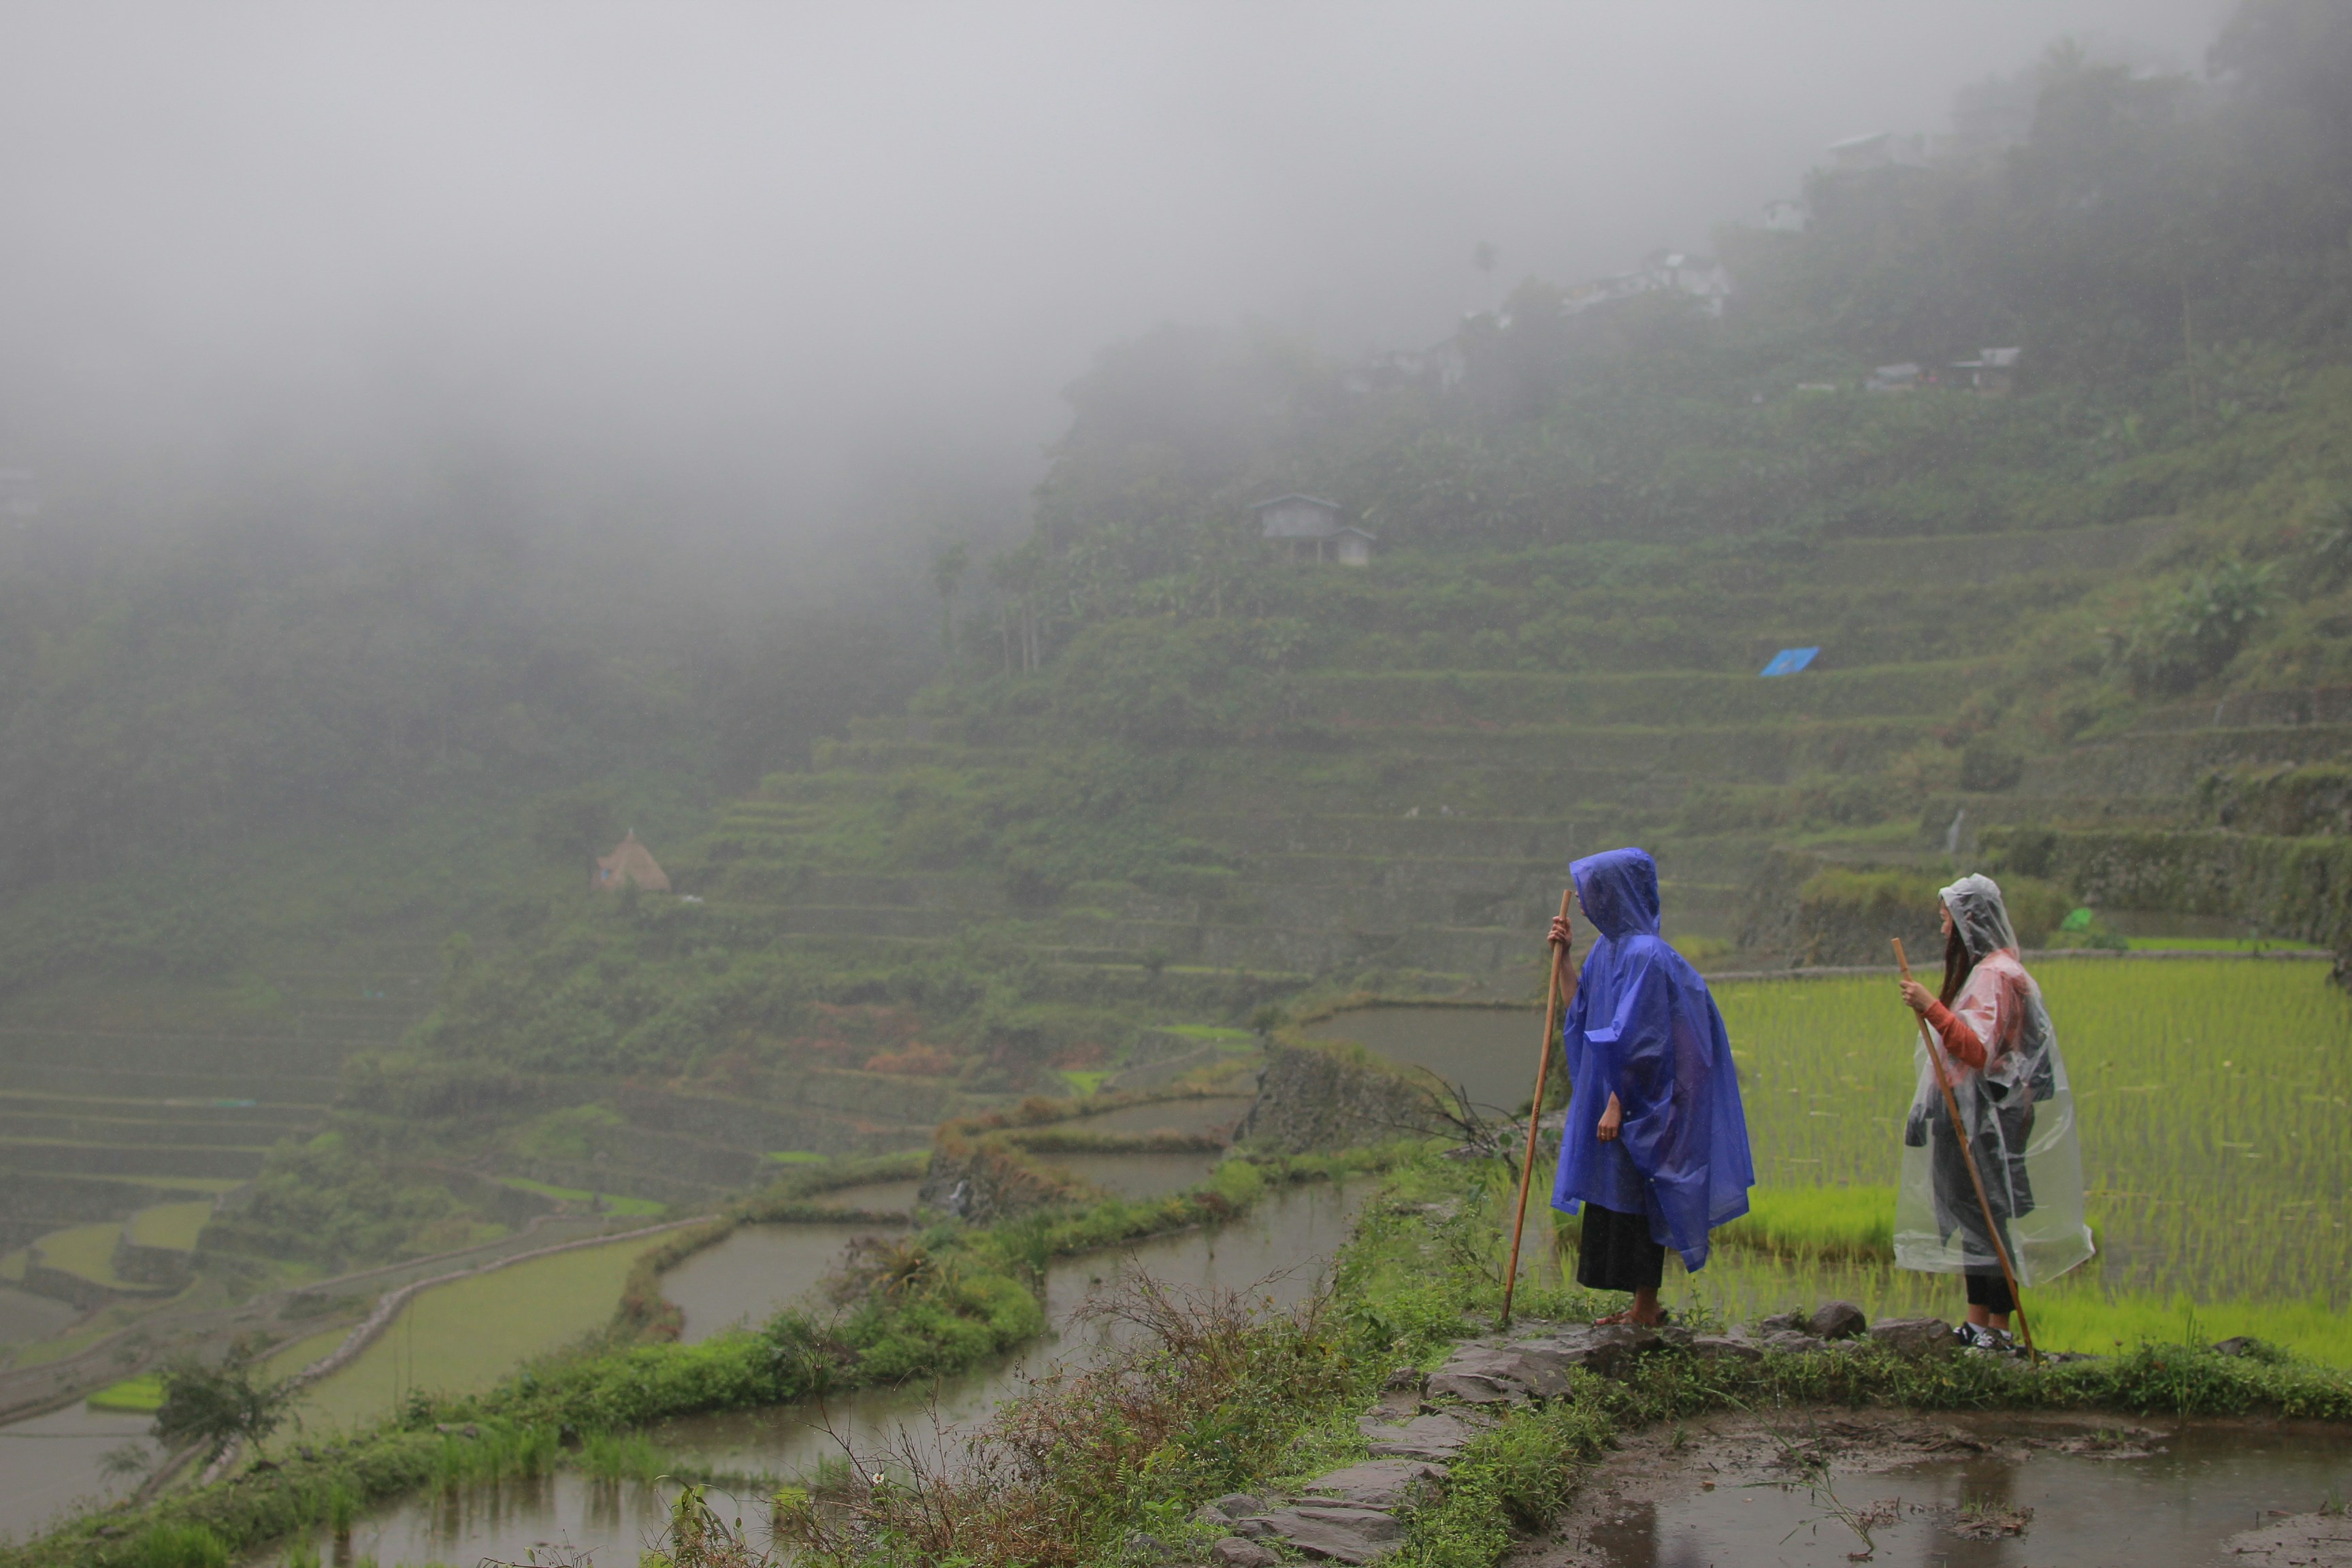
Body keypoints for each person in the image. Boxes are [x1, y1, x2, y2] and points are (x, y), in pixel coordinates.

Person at [1548, 847, 1754, 1326]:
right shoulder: (1608, 949)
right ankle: (1642, 1305)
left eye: (1592, 888)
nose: (1582, 898)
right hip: (1620, 1096)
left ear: (1615, 893)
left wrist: (1617, 1104)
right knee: (1622, 1193)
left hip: (1646, 1100)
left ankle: (1646, 1306)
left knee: (1645, 1193)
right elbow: (1582, 1012)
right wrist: (1563, 959)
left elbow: (1643, 1044)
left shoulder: (1645, 956)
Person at [1896, 874, 2094, 1350]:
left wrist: (1930, 1007)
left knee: (1986, 1219)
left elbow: (1976, 1050)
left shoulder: (1993, 976)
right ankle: (1978, 1322)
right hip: (1981, 1113)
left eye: (1946, 921)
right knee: (1975, 1217)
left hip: (1983, 1117)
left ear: (1969, 922)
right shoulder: (2000, 970)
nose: (1943, 932)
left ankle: (1998, 1330)